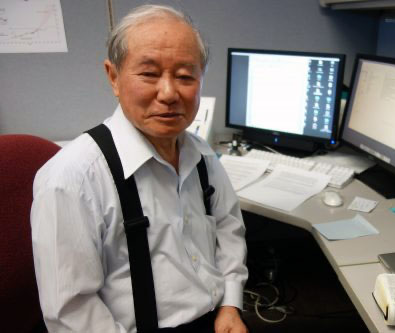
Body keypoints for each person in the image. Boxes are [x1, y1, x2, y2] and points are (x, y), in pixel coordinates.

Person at [31, 4, 248, 333]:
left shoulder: (201, 155)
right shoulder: (72, 179)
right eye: (149, 74)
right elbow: (71, 314)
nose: (169, 93)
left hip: (217, 318)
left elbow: (228, 230)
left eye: (186, 76)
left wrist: (230, 305)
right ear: (114, 77)